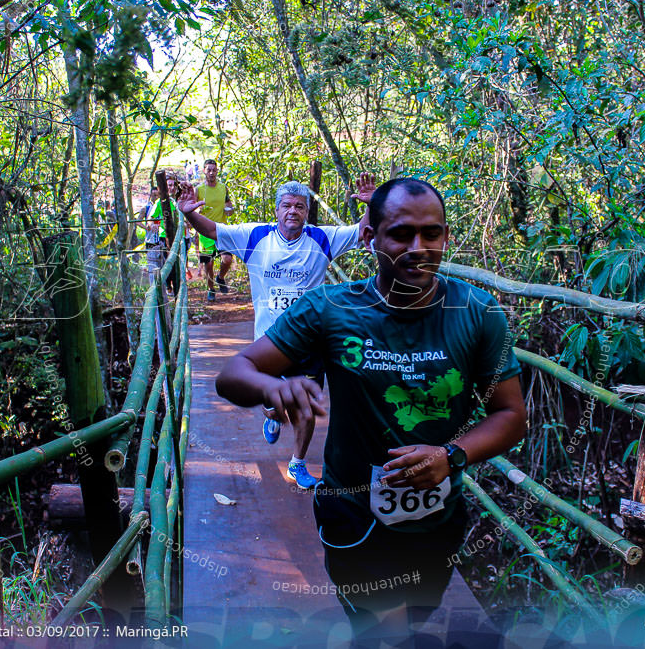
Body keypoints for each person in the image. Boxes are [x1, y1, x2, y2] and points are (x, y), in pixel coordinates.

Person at [214, 177, 527, 642]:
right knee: (385, 624)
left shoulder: (477, 312)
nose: (418, 247)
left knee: (413, 616)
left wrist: (451, 456)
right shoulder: (330, 308)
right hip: (353, 511)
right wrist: (270, 388)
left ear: (446, 237)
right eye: (401, 234)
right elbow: (232, 374)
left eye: (432, 233)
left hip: (438, 517)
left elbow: (511, 415)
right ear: (370, 236)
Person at [177, 175, 374, 488]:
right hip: (269, 343)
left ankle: (297, 464)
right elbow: (213, 230)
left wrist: (370, 205)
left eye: (299, 206)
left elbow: (360, 234)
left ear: (307, 212)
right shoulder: (255, 236)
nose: (292, 211)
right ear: (277, 209)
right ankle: (270, 415)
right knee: (274, 406)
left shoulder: (322, 239)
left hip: (310, 342)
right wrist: (188, 213)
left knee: (306, 408)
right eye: (286, 205)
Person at [195, 159, 234, 301]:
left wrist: (229, 210)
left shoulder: (223, 187)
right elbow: (192, 209)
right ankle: (211, 289)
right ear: (204, 171)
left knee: (227, 259)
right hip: (205, 231)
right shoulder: (199, 189)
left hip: (221, 230)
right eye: (209, 170)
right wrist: (197, 212)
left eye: (214, 170)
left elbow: (229, 205)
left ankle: (220, 277)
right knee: (208, 263)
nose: (211, 173)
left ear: (217, 171)